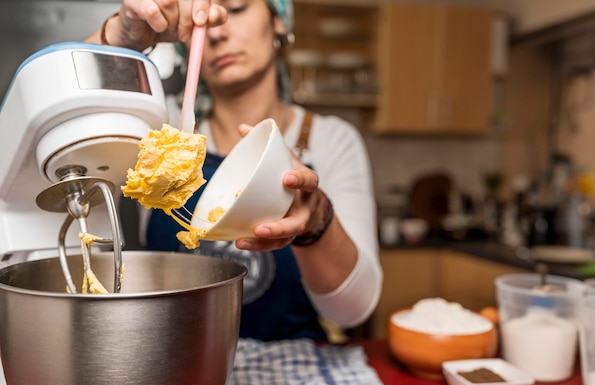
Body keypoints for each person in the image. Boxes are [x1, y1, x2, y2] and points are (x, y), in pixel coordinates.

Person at [84, 0, 382, 342]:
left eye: (236, 8)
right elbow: (55, 119)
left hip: (294, 370)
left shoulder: (330, 140)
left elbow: (353, 310)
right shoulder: (157, 135)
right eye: (201, 24)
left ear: (279, 19)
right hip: (177, 363)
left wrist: (316, 223)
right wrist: (121, 37)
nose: (218, 32)